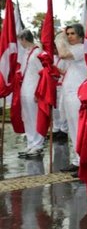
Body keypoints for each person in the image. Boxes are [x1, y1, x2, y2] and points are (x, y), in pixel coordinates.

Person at [55, 24, 87, 174]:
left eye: (72, 33)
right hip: (69, 94)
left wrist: (59, 38)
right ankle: (77, 160)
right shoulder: (74, 49)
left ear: (80, 36)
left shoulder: (81, 47)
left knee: (80, 129)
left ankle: (84, 162)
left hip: (78, 96)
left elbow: (62, 54)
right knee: (73, 129)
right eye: (67, 34)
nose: (69, 36)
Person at [16, 29, 44, 158]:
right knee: (27, 117)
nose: (20, 43)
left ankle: (38, 145)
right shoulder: (27, 53)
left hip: (33, 88)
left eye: (20, 40)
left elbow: (43, 73)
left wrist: (39, 91)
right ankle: (31, 143)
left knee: (34, 117)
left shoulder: (37, 52)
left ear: (24, 39)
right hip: (25, 88)